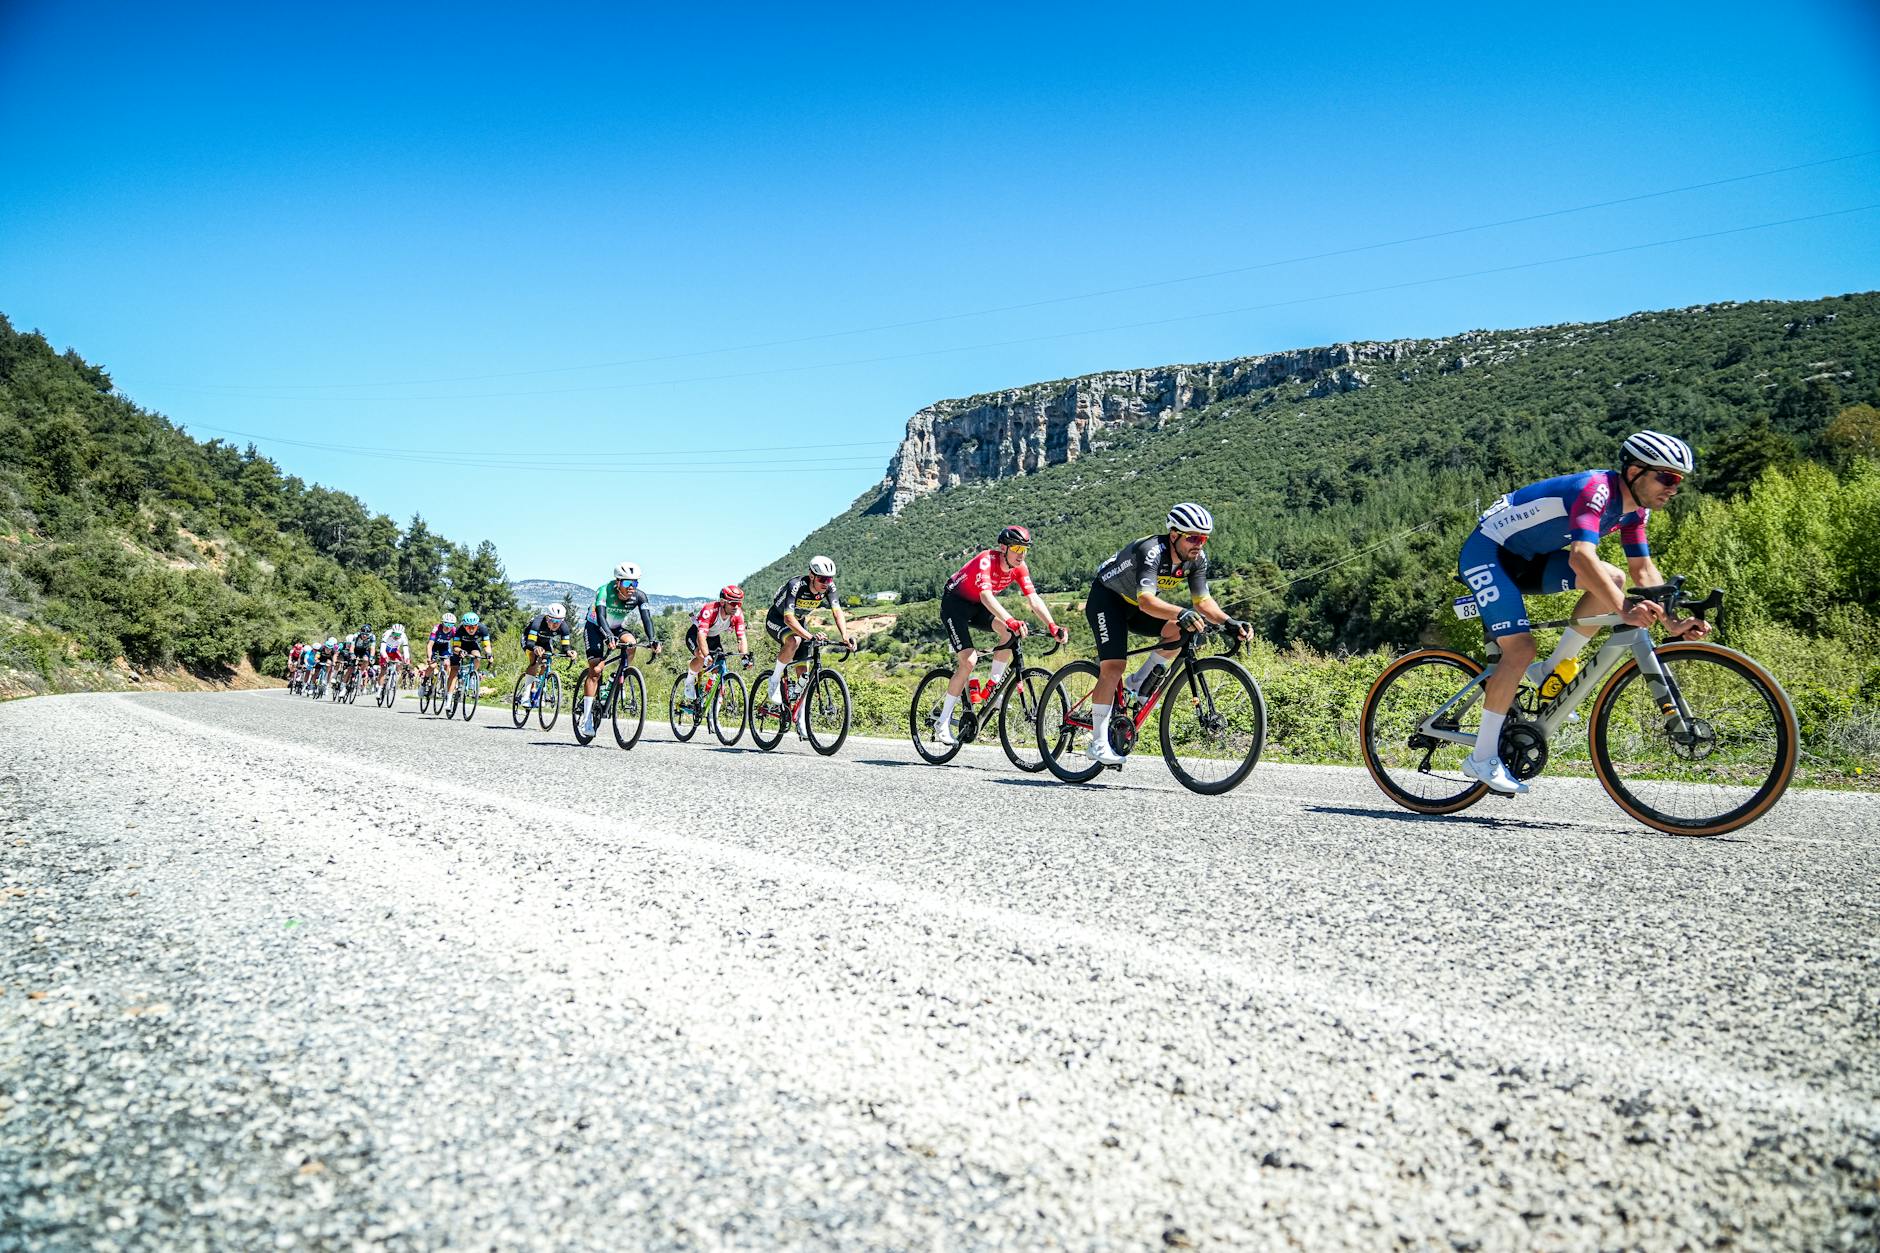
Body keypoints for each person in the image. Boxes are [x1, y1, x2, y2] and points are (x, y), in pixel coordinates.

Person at [1455, 430, 1709, 795]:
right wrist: (1623, 608)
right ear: (1636, 471)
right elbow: (1580, 557)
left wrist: (1673, 621)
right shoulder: (1596, 491)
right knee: (1520, 649)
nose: (1673, 488)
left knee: (1615, 576)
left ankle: (1551, 668)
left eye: (1678, 481)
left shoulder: (1635, 511)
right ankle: (1481, 757)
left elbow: (1643, 571)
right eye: (1666, 478)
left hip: (1532, 560)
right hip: (1489, 555)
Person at [1083, 503, 1251, 767]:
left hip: (1137, 605)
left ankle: (1137, 684)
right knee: (1113, 666)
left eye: (1204, 538)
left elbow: (1203, 602)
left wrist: (1230, 622)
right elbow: (1148, 602)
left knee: (1181, 630)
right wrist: (1181, 611)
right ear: (1174, 535)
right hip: (1108, 600)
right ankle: (1098, 743)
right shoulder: (1151, 551)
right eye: (1193, 537)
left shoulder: (1196, 560)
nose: (1199, 544)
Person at [930, 525, 1066, 746]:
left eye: (1024, 550)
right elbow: (985, 595)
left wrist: (1052, 625)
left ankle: (993, 689)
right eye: (1016, 548)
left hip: (978, 606)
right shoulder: (986, 560)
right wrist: (1011, 619)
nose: (1020, 554)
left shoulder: (1020, 567)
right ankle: (942, 722)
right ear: (1003, 548)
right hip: (956, 605)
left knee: (1009, 633)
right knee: (969, 660)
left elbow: (1034, 599)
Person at [763, 555, 855, 732]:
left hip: (800, 621)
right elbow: (788, 618)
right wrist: (810, 636)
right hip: (778, 619)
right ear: (811, 575)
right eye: (822, 579)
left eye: (829, 579)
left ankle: (800, 717)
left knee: (803, 675)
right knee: (794, 640)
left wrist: (845, 636)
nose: (826, 583)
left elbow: (837, 612)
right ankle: (774, 680)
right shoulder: (796, 585)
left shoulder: (829, 587)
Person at [579, 562, 661, 737]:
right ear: (617, 582)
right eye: (626, 583)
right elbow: (600, 616)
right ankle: (586, 719)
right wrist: (608, 635)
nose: (631, 587)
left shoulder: (640, 597)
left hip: (615, 627)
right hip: (595, 627)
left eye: (635, 583)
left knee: (631, 643)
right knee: (596, 670)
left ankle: (616, 678)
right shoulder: (604, 590)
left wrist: (653, 639)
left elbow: (647, 620)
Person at [682, 585, 753, 709]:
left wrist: (745, 657)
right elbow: (701, 635)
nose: (736, 606)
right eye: (732, 603)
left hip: (714, 638)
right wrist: (706, 655)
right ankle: (689, 680)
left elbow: (741, 638)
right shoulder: (710, 610)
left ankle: (712, 713)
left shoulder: (737, 614)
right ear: (722, 602)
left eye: (739, 603)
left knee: (720, 668)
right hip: (696, 634)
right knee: (700, 656)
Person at [517, 604, 573, 709]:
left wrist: (569, 652)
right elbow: (530, 643)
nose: (556, 624)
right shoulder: (537, 623)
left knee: (545, 663)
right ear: (547, 618)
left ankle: (538, 688)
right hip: (529, 640)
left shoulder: (564, 627)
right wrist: (535, 648)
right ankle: (525, 695)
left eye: (559, 621)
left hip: (545, 642)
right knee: (534, 659)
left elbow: (566, 647)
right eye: (554, 621)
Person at [447, 612, 491, 701]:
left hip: (472, 645)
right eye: (468, 627)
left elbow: (487, 645)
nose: (471, 630)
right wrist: (460, 651)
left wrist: (489, 654)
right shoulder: (459, 629)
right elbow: (455, 647)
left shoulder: (483, 629)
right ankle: (449, 695)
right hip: (460, 647)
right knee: (454, 669)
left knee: (477, 656)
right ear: (464, 626)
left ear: (477, 625)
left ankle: (472, 675)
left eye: (473, 627)